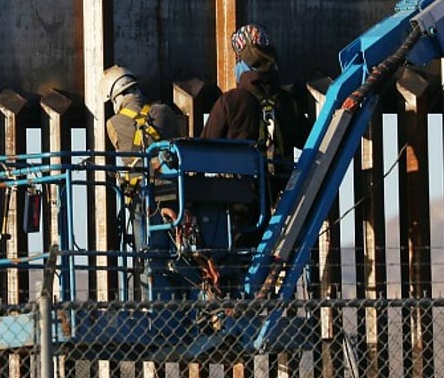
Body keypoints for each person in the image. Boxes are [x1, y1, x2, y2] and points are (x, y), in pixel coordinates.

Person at [201, 24, 310, 238]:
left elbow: (205, 147)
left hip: (239, 201)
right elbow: (306, 138)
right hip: (282, 198)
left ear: (243, 63)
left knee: (238, 261)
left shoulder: (231, 101)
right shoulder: (287, 102)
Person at [99, 65, 188, 298]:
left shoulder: (114, 124)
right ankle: (183, 305)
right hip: (174, 195)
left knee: (148, 256)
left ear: (116, 97)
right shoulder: (164, 112)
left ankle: (155, 309)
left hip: (143, 201)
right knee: (180, 255)